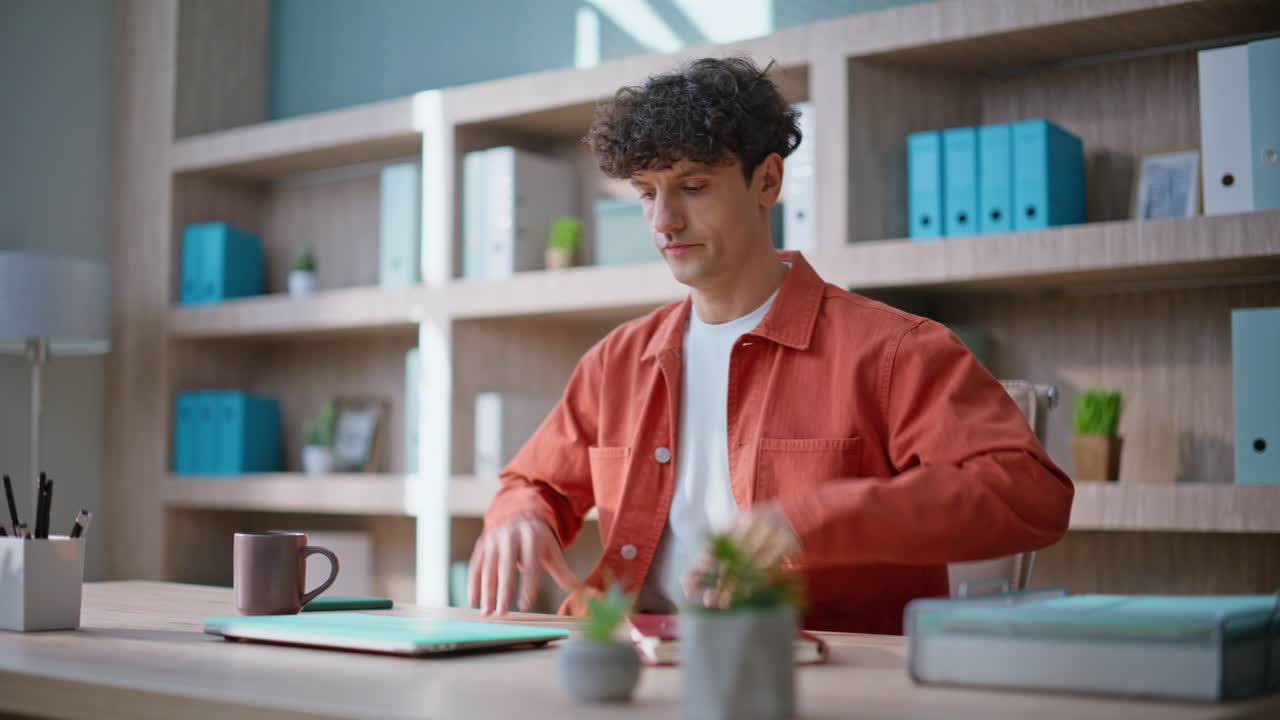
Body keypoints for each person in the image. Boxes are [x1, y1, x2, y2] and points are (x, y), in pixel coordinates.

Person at [467, 56, 1073, 634]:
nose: (664, 222)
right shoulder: (617, 360)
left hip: (813, 674)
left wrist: (810, 520)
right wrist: (520, 514)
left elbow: (1029, 494)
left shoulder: (895, 351)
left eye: (694, 186)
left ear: (768, 181)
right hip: (622, 661)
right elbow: (535, 482)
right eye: (648, 192)